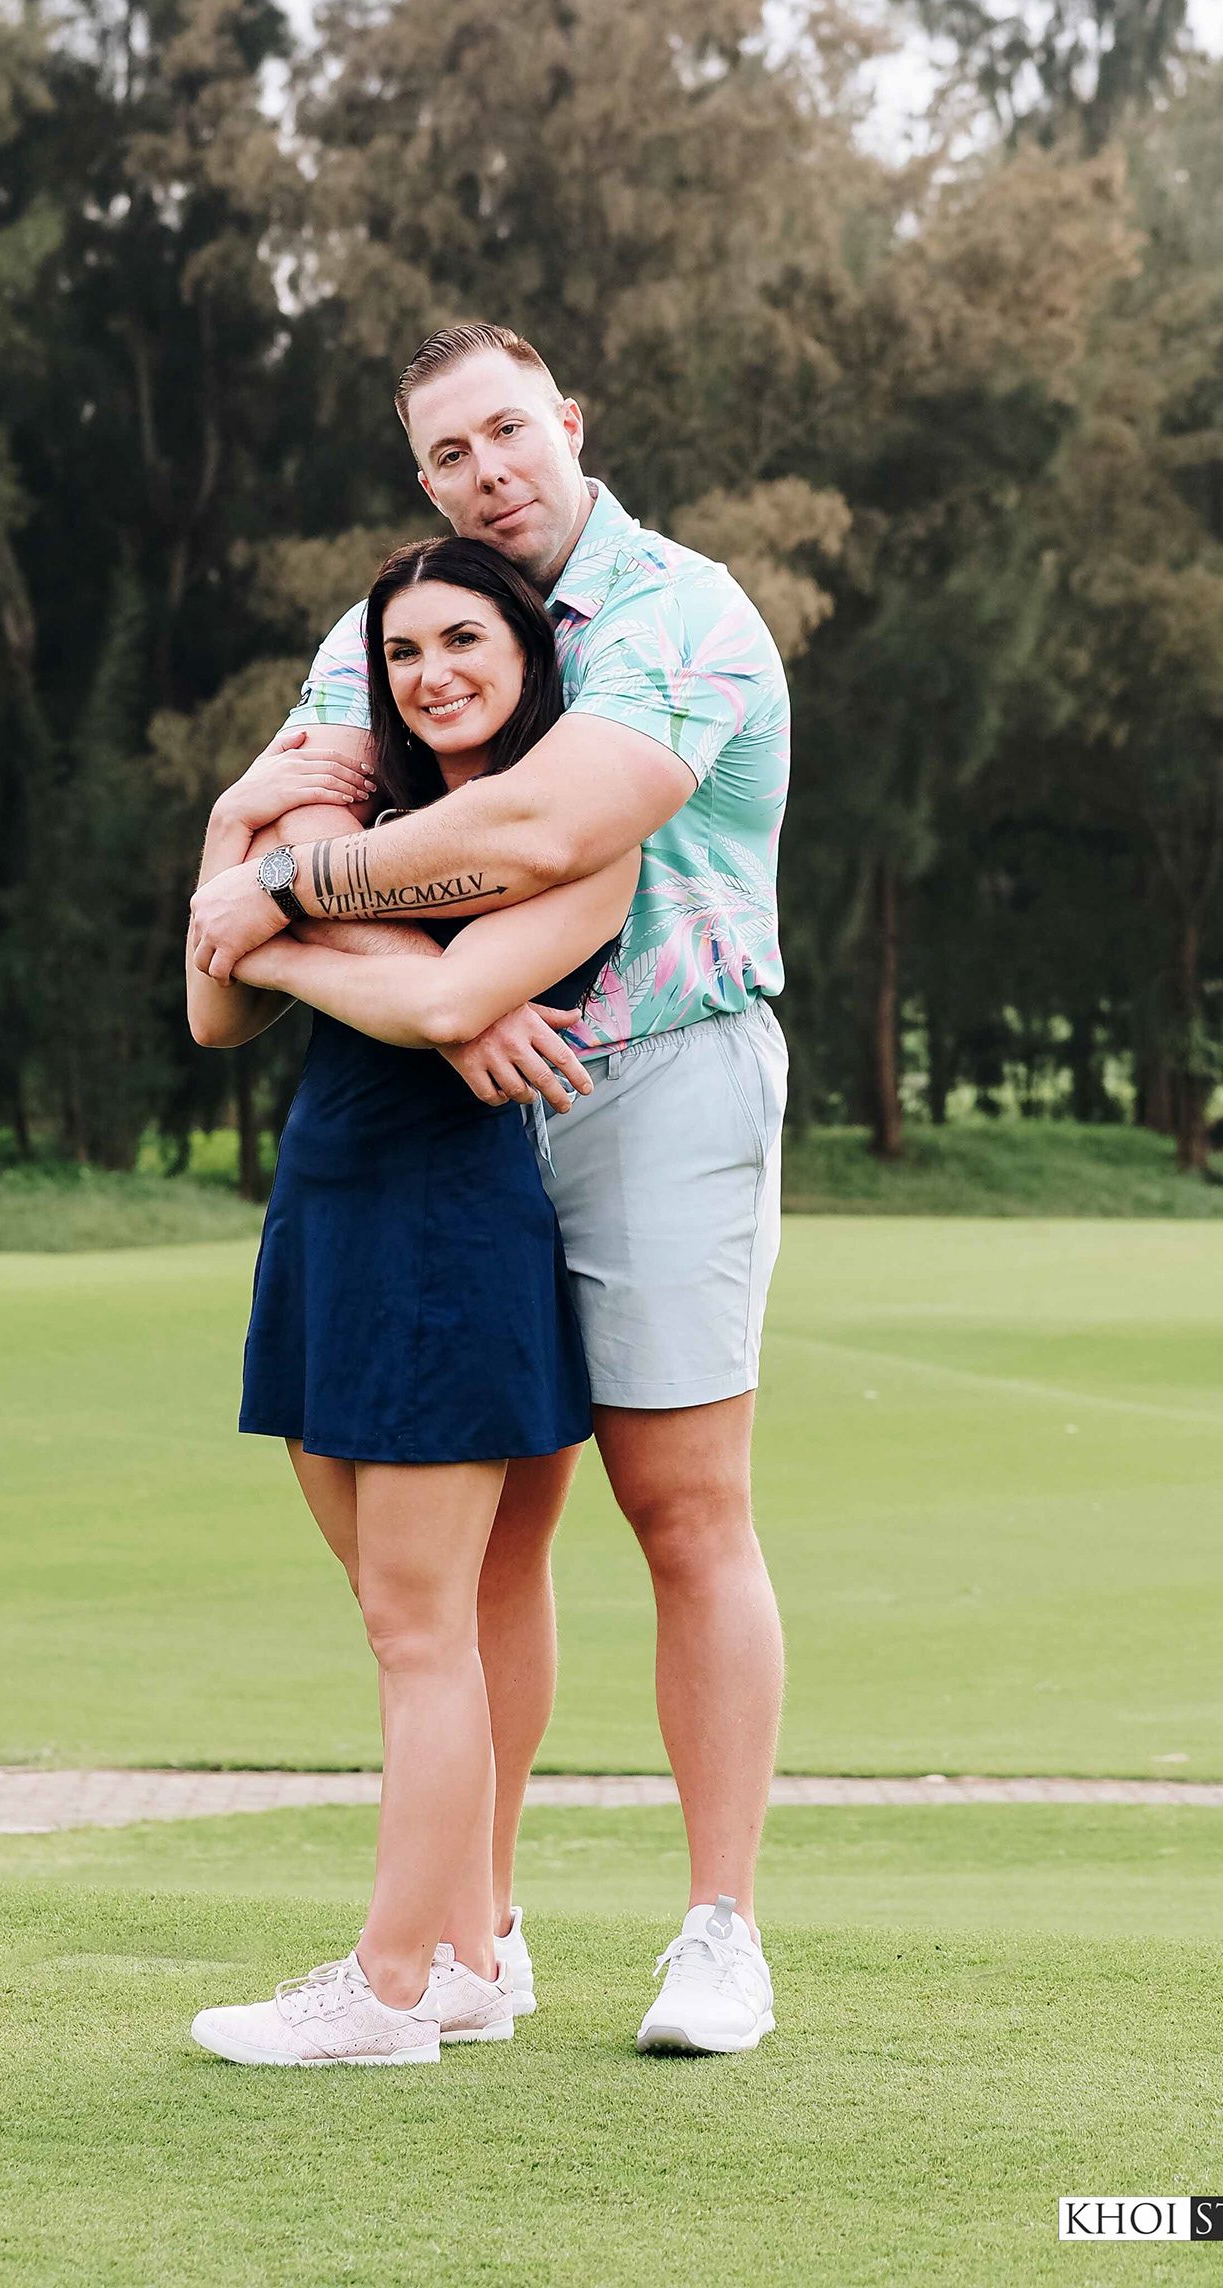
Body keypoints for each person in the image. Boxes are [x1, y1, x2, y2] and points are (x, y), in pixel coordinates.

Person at [191, 321, 790, 2056]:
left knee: (681, 1503)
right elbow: (270, 839)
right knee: (490, 1537)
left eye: (509, 433)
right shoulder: (388, 623)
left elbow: (534, 832)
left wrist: (291, 897)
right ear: (423, 478)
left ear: (568, 423)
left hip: (656, 1070)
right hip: (450, 1117)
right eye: (450, 454)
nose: (488, 473)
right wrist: (432, 997)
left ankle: (720, 1935)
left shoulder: (683, 614)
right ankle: (476, 1940)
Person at [183, 534, 638, 2068]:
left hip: (449, 1229)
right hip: (326, 1212)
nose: (432, 674)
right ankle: (469, 1958)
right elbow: (209, 1003)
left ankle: (387, 1990)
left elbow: (439, 998)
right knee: (400, 1621)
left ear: (527, 656)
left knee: (419, 1631)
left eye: (463, 642)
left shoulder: (574, 837)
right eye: (403, 653)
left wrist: (290, 936)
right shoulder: (350, 819)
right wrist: (236, 833)